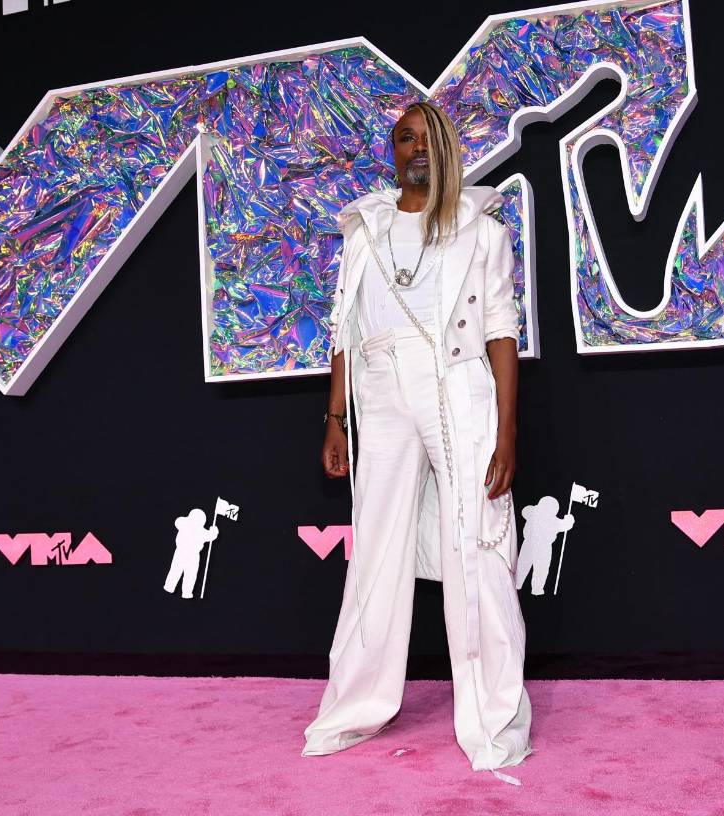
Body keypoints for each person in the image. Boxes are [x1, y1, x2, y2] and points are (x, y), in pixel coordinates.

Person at [302, 101, 532, 778]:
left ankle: (493, 724)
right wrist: (335, 417)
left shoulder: (480, 232)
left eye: (428, 137)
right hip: (379, 388)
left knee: (476, 547)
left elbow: (500, 330)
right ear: (393, 152)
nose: (416, 148)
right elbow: (343, 328)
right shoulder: (363, 232)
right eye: (404, 138)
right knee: (374, 548)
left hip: (458, 384)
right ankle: (353, 709)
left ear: (447, 147)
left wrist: (508, 429)